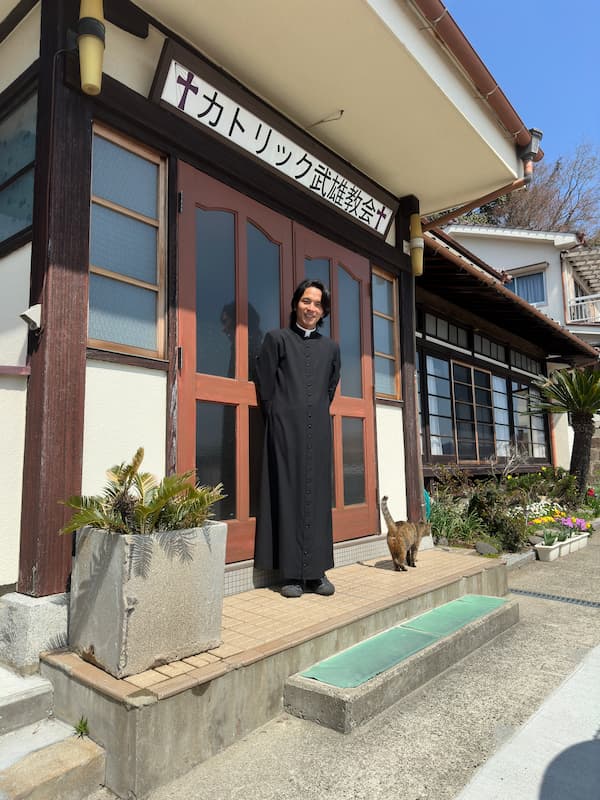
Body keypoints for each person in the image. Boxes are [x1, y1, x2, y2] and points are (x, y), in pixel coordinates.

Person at [254, 279, 341, 598]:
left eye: (318, 304)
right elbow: (264, 383)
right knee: (287, 493)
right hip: (284, 428)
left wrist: (313, 411)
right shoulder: (276, 339)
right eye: (306, 301)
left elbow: (330, 386)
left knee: (317, 496)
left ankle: (316, 574)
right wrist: (278, 416)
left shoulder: (331, 347)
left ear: (323, 311)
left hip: (317, 429)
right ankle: (289, 574)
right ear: (295, 305)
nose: (311, 308)